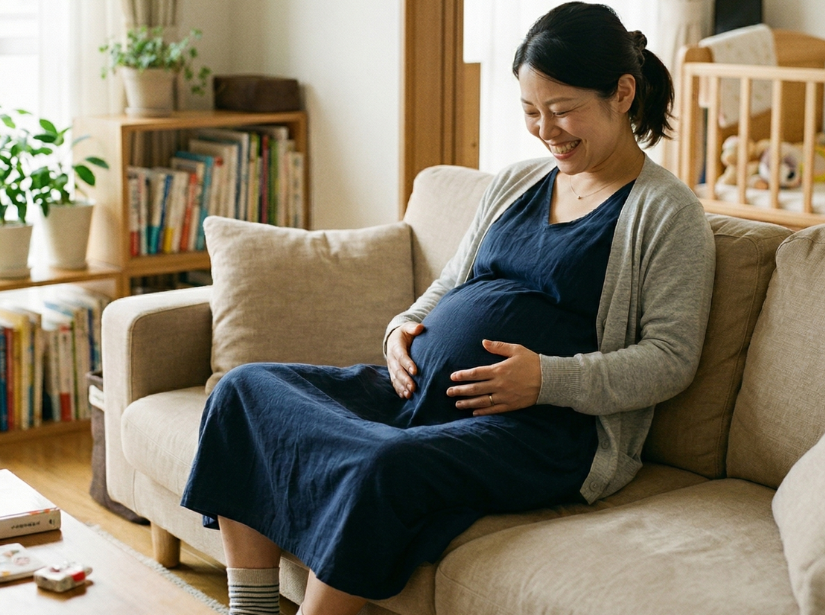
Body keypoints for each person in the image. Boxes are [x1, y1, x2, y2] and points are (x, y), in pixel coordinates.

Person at [181, 3, 716, 614]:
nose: (546, 130)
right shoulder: (516, 181)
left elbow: (671, 360)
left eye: (564, 110)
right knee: (245, 391)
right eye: (531, 111)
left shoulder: (666, 213)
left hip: (541, 433)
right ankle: (250, 609)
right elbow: (452, 281)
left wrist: (546, 379)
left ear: (623, 94)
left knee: (381, 465)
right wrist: (401, 330)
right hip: (419, 394)